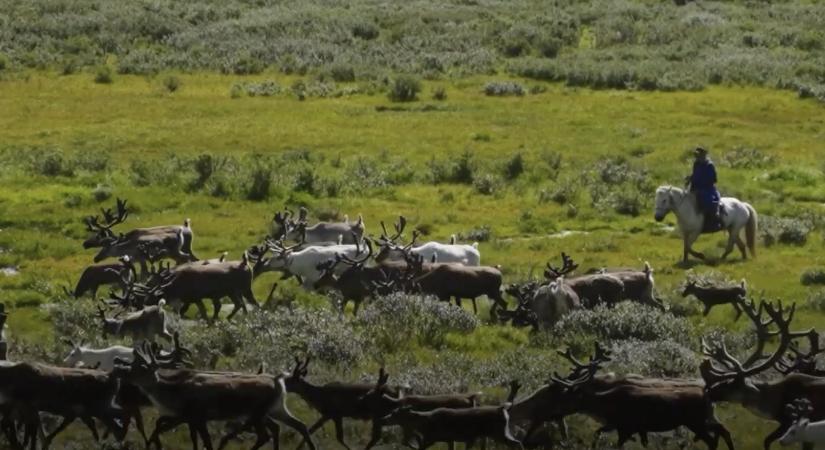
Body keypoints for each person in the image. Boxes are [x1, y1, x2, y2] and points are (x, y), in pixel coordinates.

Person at [686, 147, 721, 232]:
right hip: (695, 188)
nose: (697, 157)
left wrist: (700, 183)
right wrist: (690, 179)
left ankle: (714, 221)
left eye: (699, 156)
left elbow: (713, 179)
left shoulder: (709, 165)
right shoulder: (696, 164)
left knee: (708, 202)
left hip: (707, 189)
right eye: (696, 156)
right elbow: (695, 175)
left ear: (703, 155)